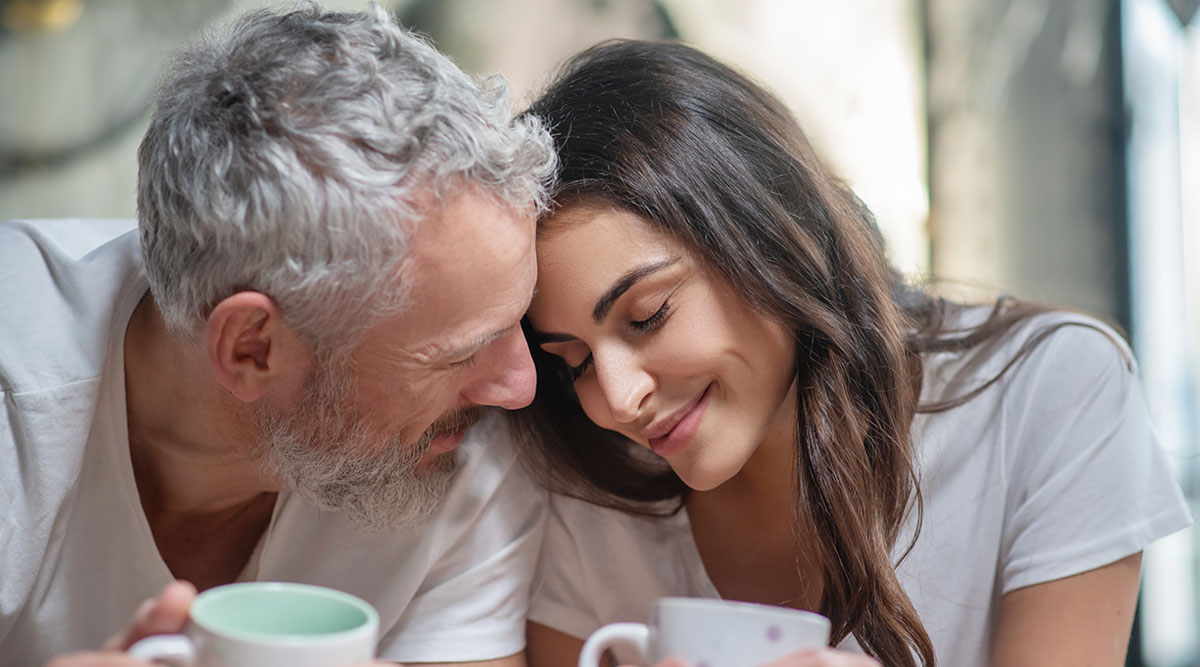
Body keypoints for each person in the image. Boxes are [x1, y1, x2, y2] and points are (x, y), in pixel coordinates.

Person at [514, 40, 1192, 667]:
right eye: (573, 360)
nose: (617, 397)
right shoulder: (590, 491)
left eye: (647, 316)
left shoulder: (1049, 391)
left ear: (768, 233)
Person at [1, 4, 557, 666]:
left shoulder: (458, 450)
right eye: (463, 350)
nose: (522, 385)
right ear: (251, 348)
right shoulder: (19, 399)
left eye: (517, 322)